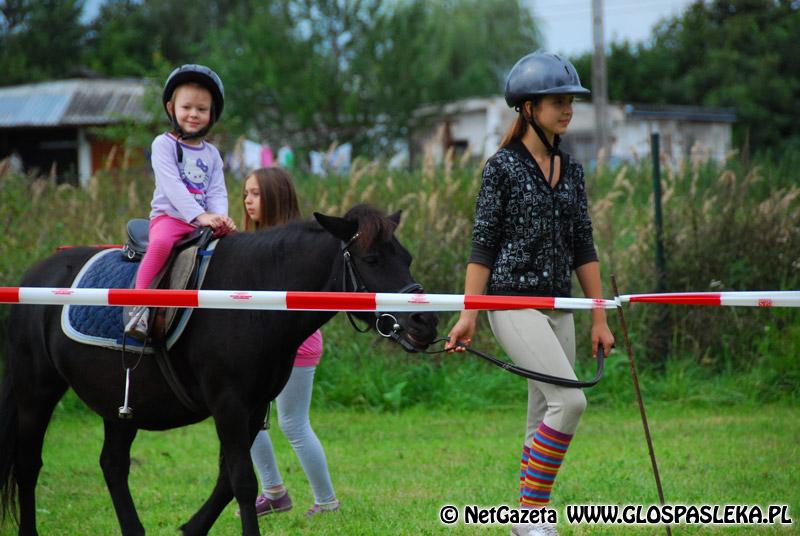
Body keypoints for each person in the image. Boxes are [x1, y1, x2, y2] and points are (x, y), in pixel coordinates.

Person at [445, 51, 615, 536]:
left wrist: (598, 317)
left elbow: (584, 244)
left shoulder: (572, 169)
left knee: (543, 411)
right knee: (571, 403)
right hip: (509, 302)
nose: (568, 110)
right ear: (527, 108)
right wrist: (469, 313)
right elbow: (483, 246)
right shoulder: (500, 168)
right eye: (557, 101)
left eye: (570, 101)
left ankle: (527, 520)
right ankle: (529, 517)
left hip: (560, 305)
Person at [241, 167, 340, 517]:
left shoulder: (298, 248)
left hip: (296, 344)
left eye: (254, 193)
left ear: (275, 196)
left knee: (294, 424)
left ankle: (327, 502)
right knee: (246, 417)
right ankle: (273, 492)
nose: (247, 200)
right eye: (245, 193)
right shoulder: (249, 242)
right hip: (258, 344)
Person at [125, 64, 236, 339]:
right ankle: (138, 307)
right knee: (161, 244)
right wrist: (200, 216)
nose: (194, 114)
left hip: (201, 222)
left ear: (212, 115)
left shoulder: (212, 154)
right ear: (171, 108)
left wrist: (219, 216)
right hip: (170, 219)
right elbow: (172, 186)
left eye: (201, 109)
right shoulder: (163, 145)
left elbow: (217, 191)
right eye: (187, 107)